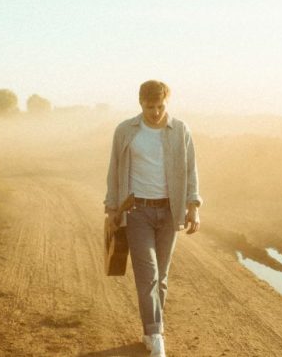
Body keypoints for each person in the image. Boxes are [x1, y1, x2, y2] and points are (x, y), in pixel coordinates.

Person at [104, 80, 202, 357]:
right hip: (137, 212)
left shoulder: (180, 130)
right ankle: (157, 335)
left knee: (162, 277)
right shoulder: (125, 131)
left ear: (166, 103)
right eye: (150, 107)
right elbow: (114, 170)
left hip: (169, 211)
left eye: (160, 106)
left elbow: (191, 170)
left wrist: (193, 205)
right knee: (148, 274)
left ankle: (150, 332)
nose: (156, 112)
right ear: (141, 103)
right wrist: (112, 209)